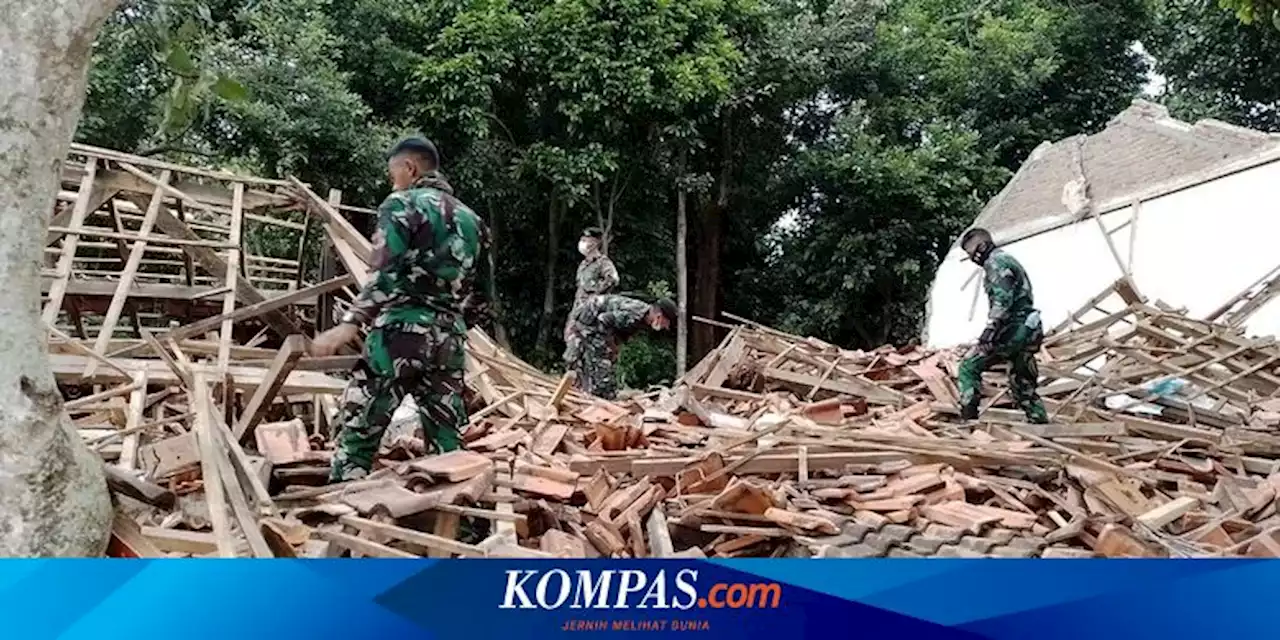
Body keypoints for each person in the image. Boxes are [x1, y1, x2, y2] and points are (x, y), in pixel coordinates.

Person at [310, 136, 491, 482]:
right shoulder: (474, 221)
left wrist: (350, 323)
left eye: (394, 174)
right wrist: (452, 325)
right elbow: (482, 296)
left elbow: (384, 273)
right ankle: (452, 520)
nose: (392, 182)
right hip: (449, 340)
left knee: (360, 429)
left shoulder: (401, 205)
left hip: (399, 336)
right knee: (446, 439)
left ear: (409, 168)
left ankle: (343, 512)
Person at [955, 227, 1048, 424]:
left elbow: (1003, 298)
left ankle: (968, 420)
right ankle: (1039, 423)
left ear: (982, 246)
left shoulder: (995, 263)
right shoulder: (1007, 259)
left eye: (971, 253)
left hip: (1013, 330)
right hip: (1030, 328)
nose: (973, 258)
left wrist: (990, 330)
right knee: (1022, 381)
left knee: (968, 367)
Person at [564, 294, 676, 400]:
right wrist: (611, 345)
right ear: (659, 316)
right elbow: (603, 320)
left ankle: (593, 390)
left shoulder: (643, 317)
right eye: (665, 323)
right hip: (588, 319)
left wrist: (615, 347)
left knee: (607, 356)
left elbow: (621, 331)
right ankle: (600, 392)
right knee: (600, 359)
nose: (664, 327)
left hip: (597, 323)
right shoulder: (634, 315)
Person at [565, 227, 619, 341]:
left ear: (595, 242)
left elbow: (613, 279)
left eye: (586, 240)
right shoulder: (583, 264)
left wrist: (596, 294)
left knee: (589, 345)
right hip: (578, 310)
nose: (582, 243)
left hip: (592, 312)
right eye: (582, 240)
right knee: (571, 342)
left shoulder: (602, 262)